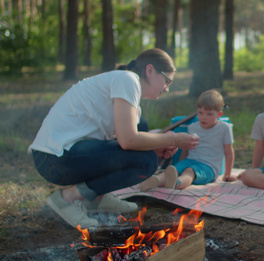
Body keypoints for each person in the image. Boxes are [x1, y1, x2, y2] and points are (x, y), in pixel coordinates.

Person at [29, 48, 200, 228]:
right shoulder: (128, 79)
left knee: (141, 126)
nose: (166, 88)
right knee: (146, 160)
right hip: (54, 159)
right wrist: (172, 140)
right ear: (149, 70)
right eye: (166, 81)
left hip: (63, 156)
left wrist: (155, 145)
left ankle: (97, 198)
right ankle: (67, 199)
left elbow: (125, 143)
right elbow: (128, 141)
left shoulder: (126, 86)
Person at [139, 89, 237, 191]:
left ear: (219, 114)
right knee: (173, 169)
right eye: (200, 112)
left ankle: (177, 183)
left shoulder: (225, 128)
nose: (204, 117)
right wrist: (180, 164)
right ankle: (155, 181)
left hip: (209, 167)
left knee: (189, 171)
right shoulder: (193, 127)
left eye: (209, 114)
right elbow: (186, 149)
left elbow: (229, 152)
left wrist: (228, 174)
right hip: (189, 160)